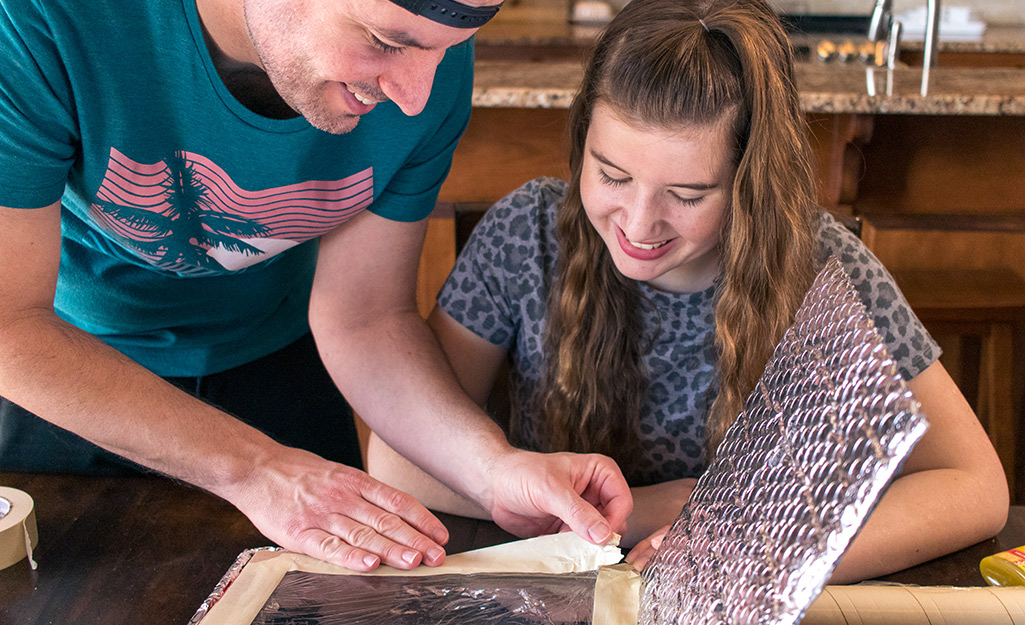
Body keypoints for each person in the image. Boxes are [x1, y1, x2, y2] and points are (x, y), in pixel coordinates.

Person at [367, 0, 1009, 582]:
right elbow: (399, 465)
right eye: (611, 174)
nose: (639, 224)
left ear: (750, 181)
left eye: (687, 195)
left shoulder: (822, 269)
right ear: (581, 143)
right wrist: (647, 511)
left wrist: (759, 550)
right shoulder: (526, 235)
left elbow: (973, 486)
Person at [0, 0, 633, 572]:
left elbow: (366, 316)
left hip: (283, 372)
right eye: (385, 41)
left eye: (443, 48)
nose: (416, 97)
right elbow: (8, 322)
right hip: (62, 385)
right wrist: (254, 468)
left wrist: (493, 471)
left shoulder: (428, 56)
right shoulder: (40, 19)